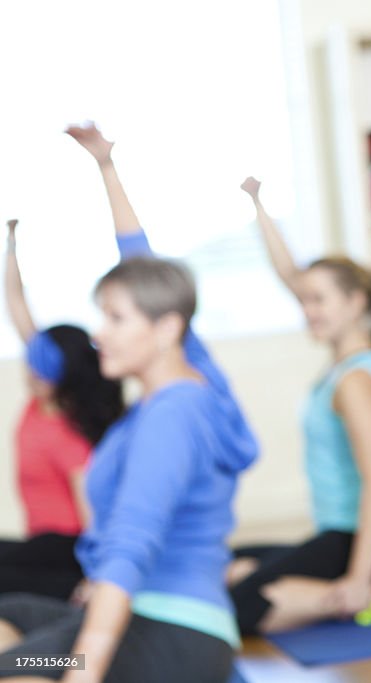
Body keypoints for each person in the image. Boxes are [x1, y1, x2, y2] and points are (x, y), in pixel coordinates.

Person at [0, 123, 259, 683]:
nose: (101, 334)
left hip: (169, 629)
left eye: (115, 319)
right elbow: (140, 270)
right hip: (138, 614)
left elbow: (132, 544)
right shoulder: (156, 406)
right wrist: (105, 166)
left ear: (167, 328)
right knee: (13, 637)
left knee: (21, 670)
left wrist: (85, 668)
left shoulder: (175, 411)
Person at [229, 176, 371, 635]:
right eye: (305, 300)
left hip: (363, 541)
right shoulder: (350, 366)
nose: (307, 309)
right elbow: (290, 274)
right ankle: (359, 588)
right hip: (339, 533)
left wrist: (359, 575)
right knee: (233, 566)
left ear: (355, 303)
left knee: (233, 607)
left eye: (319, 301)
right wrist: (258, 203)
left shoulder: (355, 381)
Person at [1, 220, 123, 600]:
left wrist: (100, 578)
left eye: (43, 369)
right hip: (42, 543)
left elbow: (93, 514)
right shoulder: (38, 405)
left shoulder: (69, 435)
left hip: (68, 548)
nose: (32, 373)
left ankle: (73, 594)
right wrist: (11, 245)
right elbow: (16, 305)